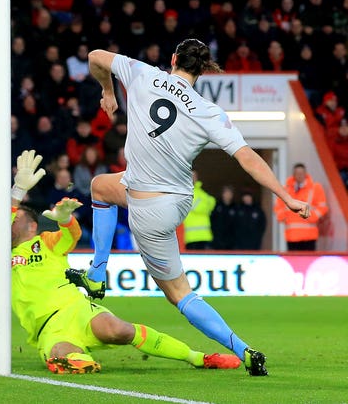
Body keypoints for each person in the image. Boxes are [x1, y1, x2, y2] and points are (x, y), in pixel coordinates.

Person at [65, 38, 311, 376]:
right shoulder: (209, 111)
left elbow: (95, 57)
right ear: (205, 71)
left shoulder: (142, 74)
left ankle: (244, 350)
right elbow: (248, 159)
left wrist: (108, 91)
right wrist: (287, 196)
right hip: (178, 200)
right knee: (102, 187)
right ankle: (95, 275)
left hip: (148, 207)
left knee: (179, 294)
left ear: (173, 59)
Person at [10, 150, 240, 374]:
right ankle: (73, 358)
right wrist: (18, 190)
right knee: (65, 352)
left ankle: (199, 358)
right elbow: (0, 222)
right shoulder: (0, 252)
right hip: (47, 326)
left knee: (118, 330)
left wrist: (67, 221)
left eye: (17, 217)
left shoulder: (45, 242)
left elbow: (71, 237)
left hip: (76, 309)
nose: (10, 220)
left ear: (32, 226)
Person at [274, 163, 328, 251]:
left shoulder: (315, 188)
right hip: (292, 235)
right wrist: (283, 217)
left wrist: (311, 217)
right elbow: (278, 207)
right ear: (294, 174)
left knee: (308, 262)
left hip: (309, 236)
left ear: (305, 174)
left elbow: (323, 207)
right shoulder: (286, 189)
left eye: (301, 173)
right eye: (297, 173)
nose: (299, 176)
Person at [183, 170, 216, 250]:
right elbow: (197, 207)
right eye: (191, 176)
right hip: (191, 237)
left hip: (205, 236)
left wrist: (203, 204)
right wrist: (206, 205)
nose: (193, 178)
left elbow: (213, 201)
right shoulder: (185, 192)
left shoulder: (200, 191)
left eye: (194, 176)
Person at [210, 185, 238, 250]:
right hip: (218, 240)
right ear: (223, 194)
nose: (228, 195)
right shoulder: (216, 206)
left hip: (231, 241)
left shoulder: (236, 208)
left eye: (230, 193)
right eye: (226, 193)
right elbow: (212, 221)